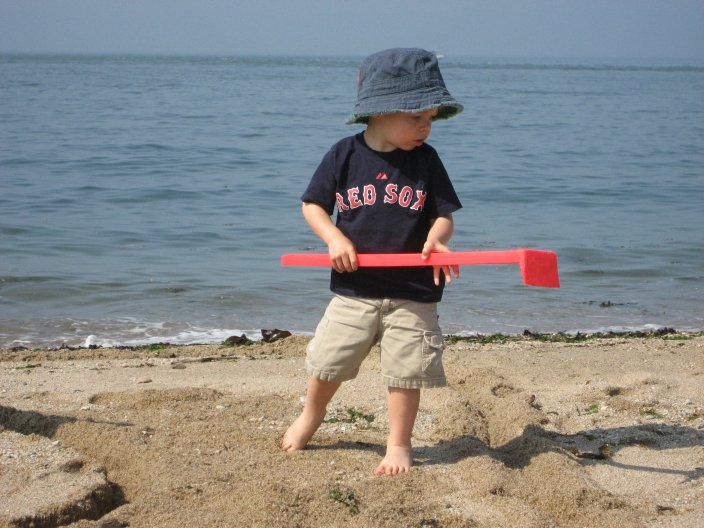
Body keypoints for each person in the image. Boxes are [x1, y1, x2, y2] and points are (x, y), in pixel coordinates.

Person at [281, 48, 464, 476]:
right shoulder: (344, 155)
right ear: (380, 112)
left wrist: (437, 239)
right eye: (416, 117)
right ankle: (311, 415)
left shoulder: (426, 160)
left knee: (406, 372)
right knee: (329, 362)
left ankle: (398, 443)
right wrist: (334, 238)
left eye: (431, 117)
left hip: (414, 292)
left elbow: (443, 215)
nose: (426, 126)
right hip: (354, 288)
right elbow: (312, 205)